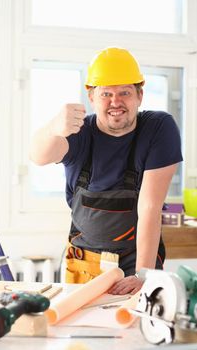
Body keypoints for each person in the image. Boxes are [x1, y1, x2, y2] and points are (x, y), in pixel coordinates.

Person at [30, 47, 183, 295]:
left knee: (139, 329)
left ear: (140, 95)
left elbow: (150, 207)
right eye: (106, 94)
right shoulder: (79, 131)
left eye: (125, 92)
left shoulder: (158, 128)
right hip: (83, 265)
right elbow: (38, 156)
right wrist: (53, 128)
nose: (116, 102)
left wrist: (143, 275)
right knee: (81, 330)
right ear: (92, 97)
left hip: (137, 262)